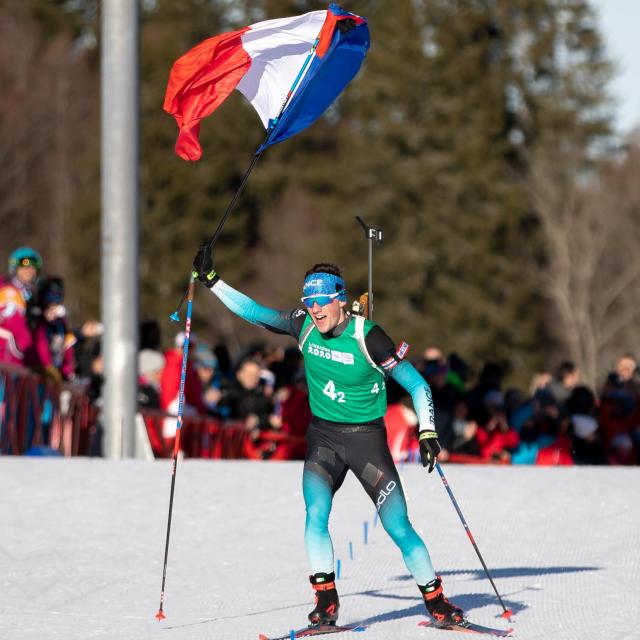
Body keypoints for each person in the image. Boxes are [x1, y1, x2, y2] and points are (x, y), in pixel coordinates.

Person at [193, 247, 464, 626]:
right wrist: (212, 281)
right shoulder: (302, 323)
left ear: (340, 300)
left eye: (322, 302)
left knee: (398, 526)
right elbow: (254, 312)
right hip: (324, 440)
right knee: (315, 516)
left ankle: (437, 604)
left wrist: (428, 431)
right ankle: (326, 605)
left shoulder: (368, 337)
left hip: (366, 441)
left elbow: (418, 385)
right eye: (310, 301)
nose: (315, 309)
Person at [0, 247, 41, 366]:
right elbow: (17, 327)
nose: (28, 270)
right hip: (7, 358)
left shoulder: (31, 294)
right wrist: (34, 359)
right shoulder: (9, 291)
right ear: (15, 269)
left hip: (18, 359)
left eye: (32, 267)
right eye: (23, 267)